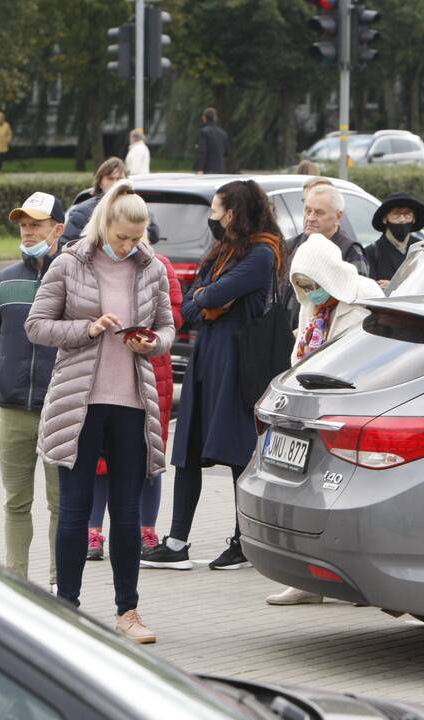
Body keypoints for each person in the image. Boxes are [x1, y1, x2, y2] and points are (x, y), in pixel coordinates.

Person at [25, 180, 174, 644]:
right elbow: (37, 325)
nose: (130, 246)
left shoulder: (150, 269)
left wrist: (151, 342)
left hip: (132, 403)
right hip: (79, 402)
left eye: (137, 238)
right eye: (123, 237)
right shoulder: (69, 263)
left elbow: (167, 328)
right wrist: (88, 328)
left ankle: (127, 612)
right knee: (74, 511)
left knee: (127, 514)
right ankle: (67, 607)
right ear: (104, 223)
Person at [141, 180, 283, 573]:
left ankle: (244, 541)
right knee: (187, 450)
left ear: (233, 213)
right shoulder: (222, 252)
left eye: (216, 211)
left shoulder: (261, 254)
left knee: (238, 451)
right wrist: (208, 297)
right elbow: (191, 306)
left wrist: (208, 297)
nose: (212, 218)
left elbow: (210, 296)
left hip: (238, 361)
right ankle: (176, 542)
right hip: (208, 356)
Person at [265, 235, 383, 606]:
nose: (308, 292)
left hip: (351, 412)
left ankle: (365, 583)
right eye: (300, 285)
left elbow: (372, 358)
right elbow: (302, 349)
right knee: (308, 498)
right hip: (313, 409)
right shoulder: (311, 306)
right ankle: (308, 580)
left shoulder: (362, 299)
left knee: (348, 500)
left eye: (312, 284)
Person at [0, 192, 65, 590]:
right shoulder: (6, 278)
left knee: (62, 506)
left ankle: (61, 587)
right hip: (13, 411)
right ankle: (17, 587)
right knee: (16, 503)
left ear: (57, 230)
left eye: (37, 225)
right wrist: (2, 376)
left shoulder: (73, 277)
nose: (28, 232)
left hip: (60, 411)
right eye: (23, 225)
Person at [86, 238, 182, 561]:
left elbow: (175, 319)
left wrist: (149, 335)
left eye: (135, 233)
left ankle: (147, 531)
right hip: (106, 374)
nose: (128, 242)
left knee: (149, 460)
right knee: (100, 465)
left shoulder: (160, 267)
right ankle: (93, 533)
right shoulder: (94, 266)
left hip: (151, 375)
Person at [281, 182, 368, 329]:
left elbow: (355, 307)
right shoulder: (290, 247)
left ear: (338, 216)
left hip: (329, 341)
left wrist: (306, 331)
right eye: (307, 211)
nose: (310, 217)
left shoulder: (350, 252)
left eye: (319, 212)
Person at [61, 157, 160, 245]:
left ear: (126, 181)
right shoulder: (83, 212)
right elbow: (65, 244)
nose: (115, 183)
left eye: (119, 179)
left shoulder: (136, 207)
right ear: (100, 183)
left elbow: (154, 235)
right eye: (110, 178)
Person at [364, 192, 424, 288]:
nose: (402, 219)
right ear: (385, 219)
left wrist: (394, 285)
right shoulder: (372, 252)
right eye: (396, 214)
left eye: (407, 214)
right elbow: (369, 289)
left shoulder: (421, 249)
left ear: (414, 219)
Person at [194, 107, 229, 174]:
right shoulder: (223, 133)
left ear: (204, 118)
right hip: (220, 169)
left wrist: (200, 169)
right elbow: (226, 152)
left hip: (207, 170)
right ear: (215, 118)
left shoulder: (203, 132)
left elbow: (203, 151)